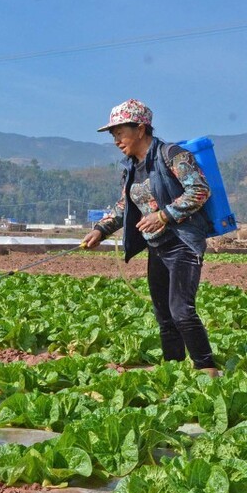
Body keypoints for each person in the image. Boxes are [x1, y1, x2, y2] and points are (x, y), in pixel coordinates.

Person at [80, 99, 218, 375]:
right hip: (157, 247)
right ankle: (173, 371)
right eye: (114, 134)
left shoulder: (173, 155)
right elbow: (124, 206)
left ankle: (207, 370)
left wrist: (164, 215)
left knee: (181, 310)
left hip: (183, 243)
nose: (117, 139)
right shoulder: (131, 167)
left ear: (141, 129)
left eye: (121, 132)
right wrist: (100, 229)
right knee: (164, 316)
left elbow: (200, 191)